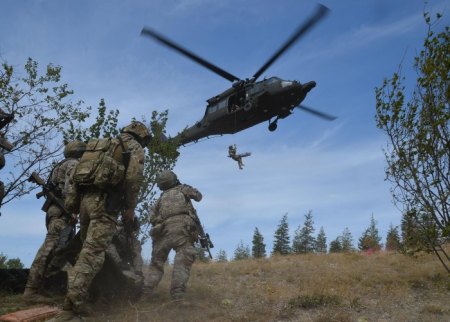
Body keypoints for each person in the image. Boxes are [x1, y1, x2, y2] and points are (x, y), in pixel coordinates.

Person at [56, 121, 151, 321]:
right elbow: (134, 179)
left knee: (86, 252)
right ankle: (71, 309)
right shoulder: (135, 147)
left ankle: (86, 298)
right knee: (92, 256)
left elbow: (76, 176)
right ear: (141, 136)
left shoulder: (101, 144)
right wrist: (130, 207)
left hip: (85, 204)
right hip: (105, 205)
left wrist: (73, 206)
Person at [21, 141, 86, 306]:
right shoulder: (72, 164)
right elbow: (70, 189)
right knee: (49, 248)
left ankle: (49, 287)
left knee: (67, 250)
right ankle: (31, 292)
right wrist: (72, 210)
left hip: (56, 211)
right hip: (61, 212)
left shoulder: (60, 165)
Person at [142, 170, 202, 301]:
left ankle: (146, 293)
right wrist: (190, 189)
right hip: (182, 231)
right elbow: (198, 196)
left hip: (163, 233)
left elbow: (152, 217)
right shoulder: (183, 190)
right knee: (184, 258)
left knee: (156, 264)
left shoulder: (160, 199)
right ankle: (177, 297)